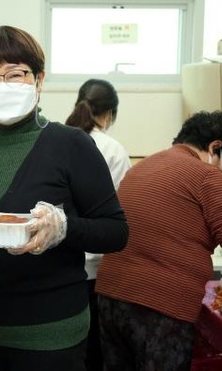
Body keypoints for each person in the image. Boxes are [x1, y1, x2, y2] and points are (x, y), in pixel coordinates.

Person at [0, 25, 129, 371]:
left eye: (15, 74)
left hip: (52, 334)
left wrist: (63, 228)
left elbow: (116, 232)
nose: (2, 86)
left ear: (39, 80)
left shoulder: (71, 145)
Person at [95, 110, 222, 371]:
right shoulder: (205, 174)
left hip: (111, 296)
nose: (221, 169)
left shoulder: (144, 166)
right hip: (159, 306)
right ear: (215, 147)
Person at [65, 78, 131, 371]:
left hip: (54, 263)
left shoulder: (56, 139)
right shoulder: (113, 150)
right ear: (110, 114)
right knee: (91, 353)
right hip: (94, 271)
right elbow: (120, 212)